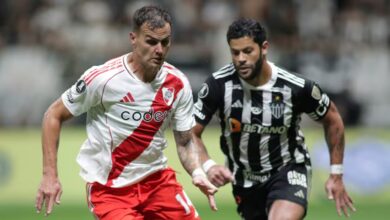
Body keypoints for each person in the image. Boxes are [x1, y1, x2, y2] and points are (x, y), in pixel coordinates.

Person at [35, 5, 217, 220]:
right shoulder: (103, 79)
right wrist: (49, 175)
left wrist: (197, 172)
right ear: (133, 39)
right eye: (151, 41)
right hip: (110, 189)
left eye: (165, 42)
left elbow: (185, 141)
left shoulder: (177, 84)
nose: (159, 49)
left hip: (157, 182)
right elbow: (53, 115)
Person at [193, 18, 356, 220]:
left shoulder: (295, 87)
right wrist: (208, 165)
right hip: (244, 181)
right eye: (235, 53)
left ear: (264, 48)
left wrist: (336, 173)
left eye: (247, 51)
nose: (241, 58)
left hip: (288, 170)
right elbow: (191, 132)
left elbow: (332, 119)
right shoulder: (218, 86)